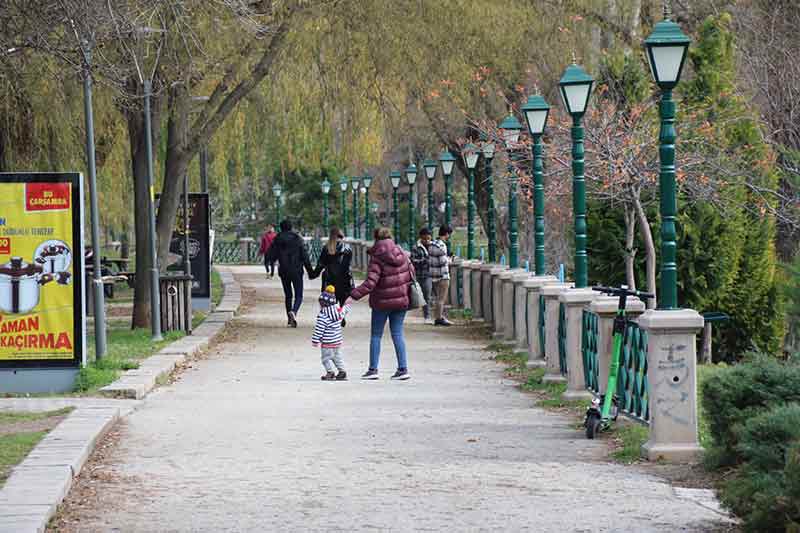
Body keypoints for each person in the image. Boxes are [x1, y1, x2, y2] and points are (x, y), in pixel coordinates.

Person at [347, 227, 414, 381]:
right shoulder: (402, 254)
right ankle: (403, 369)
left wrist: (353, 295)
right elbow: (411, 275)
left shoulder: (377, 257)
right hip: (401, 301)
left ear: (376, 239)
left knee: (376, 335)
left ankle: (373, 369)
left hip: (381, 303)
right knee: (397, 334)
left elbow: (370, 283)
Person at [265, 219, 313, 327]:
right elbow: (304, 256)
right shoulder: (297, 238)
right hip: (297, 270)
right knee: (299, 295)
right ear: (291, 227)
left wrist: (270, 264)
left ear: (281, 228)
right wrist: (310, 271)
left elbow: (270, 255)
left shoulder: (277, 239)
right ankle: (294, 312)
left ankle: (289, 319)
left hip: (284, 270)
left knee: (288, 295)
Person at [310, 226, 354, 326]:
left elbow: (321, 264)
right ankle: (341, 315)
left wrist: (313, 274)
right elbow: (348, 266)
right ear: (341, 235)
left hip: (329, 278)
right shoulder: (347, 249)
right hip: (344, 279)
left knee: (329, 300)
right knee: (343, 299)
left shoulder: (327, 248)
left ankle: (331, 317)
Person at [312, 285, 350, 381]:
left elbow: (319, 330)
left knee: (325, 359)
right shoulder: (338, 313)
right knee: (337, 357)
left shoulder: (323, 316)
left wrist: (315, 340)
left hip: (327, 343)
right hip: (337, 342)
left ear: (322, 304)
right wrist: (346, 306)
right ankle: (342, 372)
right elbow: (344, 310)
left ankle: (330, 372)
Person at [428, 224, 453, 326]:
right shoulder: (442, 245)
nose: (449, 237)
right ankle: (439, 318)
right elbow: (443, 262)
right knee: (441, 298)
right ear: (446, 234)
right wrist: (450, 259)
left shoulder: (432, 244)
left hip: (433, 275)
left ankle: (438, 317)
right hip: (443, 275)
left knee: (437, 297)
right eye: (449, 235)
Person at [410, 227, 433, 323]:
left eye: (429, 238)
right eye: (425, 238)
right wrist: (424, 261)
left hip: (430, 274)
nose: (427, 240)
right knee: (419, 295)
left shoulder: (433, 246)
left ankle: (427, 316)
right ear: (421, 237)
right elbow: (413, 261)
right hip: (419, 275)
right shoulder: (416, 247)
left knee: (427, 295)